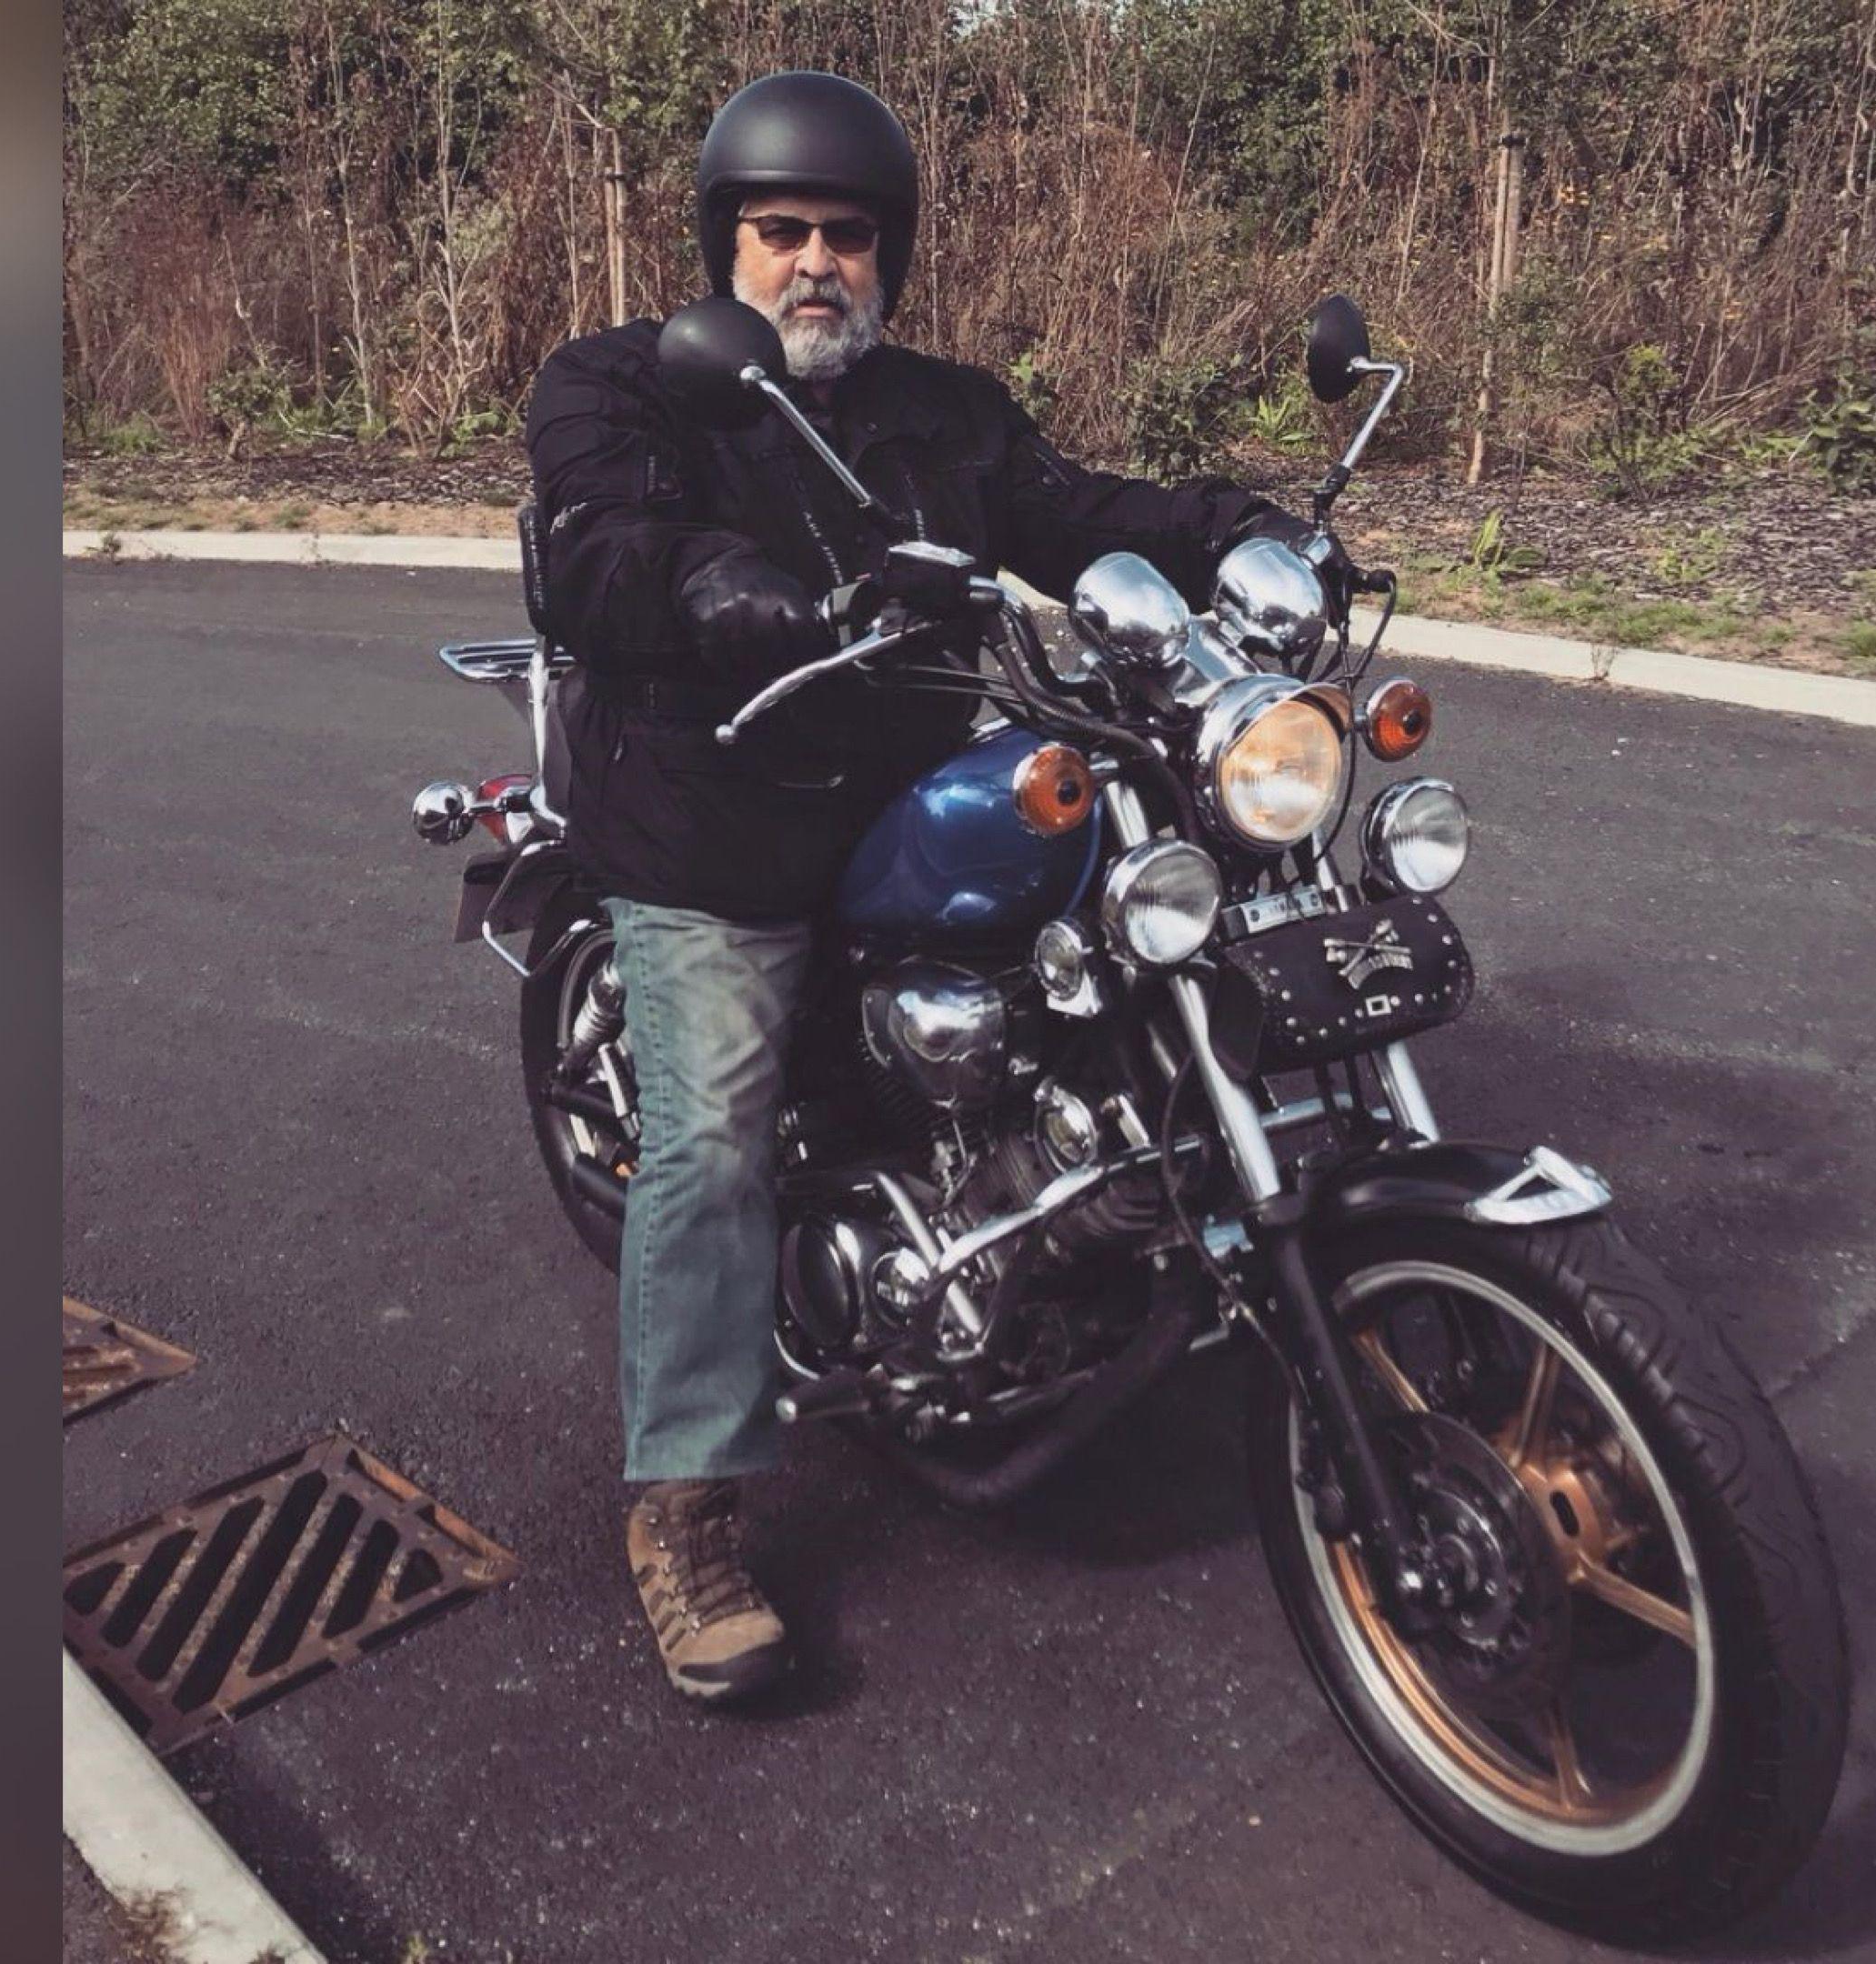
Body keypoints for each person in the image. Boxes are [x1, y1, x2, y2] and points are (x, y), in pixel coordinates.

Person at [521, 70, 1326, 1704]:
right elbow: (594, 546)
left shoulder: (945, 406)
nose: (817, 263)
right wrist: (711, 579)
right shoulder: (623, 383)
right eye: (782, 232)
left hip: (905, 776)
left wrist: (1237, 524)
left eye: (849, 235)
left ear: (891, 252)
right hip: (710, 813)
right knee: (711, 1139)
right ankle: (684, 1504)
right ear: (724, 244)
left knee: (1125, 924)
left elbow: (1069, 508)